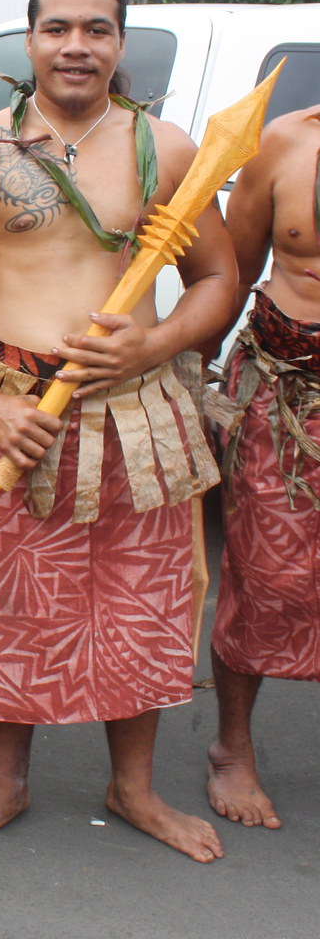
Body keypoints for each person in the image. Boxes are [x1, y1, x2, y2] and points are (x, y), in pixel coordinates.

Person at [0, 0, 237, 863]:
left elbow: (217, 281)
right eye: (58, 28)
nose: (77, 46)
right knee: (1, 605)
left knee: (138, 605)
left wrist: (153, 345)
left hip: (137, 415)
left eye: (97, 29)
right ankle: (2, 787)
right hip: (10, 412)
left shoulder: (165, 150)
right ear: (31, 38)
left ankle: (133, 789)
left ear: (120, 42)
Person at [206, 104, 320, 831]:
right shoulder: (287, 141)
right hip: (281, 395)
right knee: (264, 575)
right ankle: (231, 746)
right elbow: (228, 276)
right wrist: (188, 385)